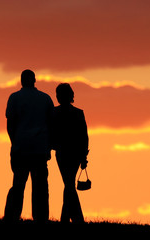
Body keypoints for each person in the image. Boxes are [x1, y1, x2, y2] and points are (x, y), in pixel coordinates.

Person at [4, 69, 54, 222]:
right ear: (35, 80)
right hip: (39, 149)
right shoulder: (45, 98)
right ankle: (41, 218)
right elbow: (52, 124)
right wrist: (48, 146)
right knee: (40, 186)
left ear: (21, 81)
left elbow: (10, 124)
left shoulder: (14, 98)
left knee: (18, 184)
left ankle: (12, 216)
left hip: (21, 148)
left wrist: (14, 143)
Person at [52, 83, 89, 223]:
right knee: (69, 183)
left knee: (68, 184)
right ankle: (71, 218)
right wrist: (84, 156)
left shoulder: (54, 113)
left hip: (62, 153)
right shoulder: (78, 113)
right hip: (74, 153)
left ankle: (71, 218)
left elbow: (51, 133)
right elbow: (84, 136)